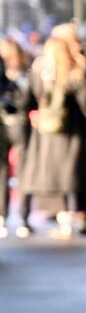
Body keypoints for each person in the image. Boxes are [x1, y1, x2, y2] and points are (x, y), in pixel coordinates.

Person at [18, 25, 86, 237]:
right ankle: (82, 216)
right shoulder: (80, 68)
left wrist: (33, 115)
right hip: (76, 132)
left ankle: (62, 218)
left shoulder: (41, 67)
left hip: (48, 133)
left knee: (56, 176)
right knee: (79, 175)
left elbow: (28, 99)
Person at [0, 38, 28, 238]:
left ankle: (6, 214)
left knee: (5, 170)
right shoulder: (24, 72)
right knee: (22, 169)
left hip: (9, 123)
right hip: (17, 123)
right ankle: (22, 216)